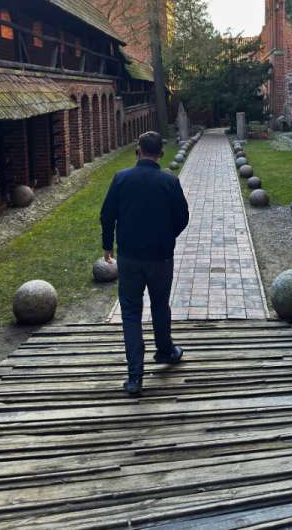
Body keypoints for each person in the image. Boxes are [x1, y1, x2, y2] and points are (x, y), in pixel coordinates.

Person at [100, 130, 190, 395]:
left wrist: (108, 245)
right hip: (161, 256)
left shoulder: (121, 179)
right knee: (160, 304)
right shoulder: (169, 181)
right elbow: (182, 217)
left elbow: (107, 215)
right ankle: (164, 351)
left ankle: (135, 377)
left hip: (129, 257)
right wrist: (165, 236)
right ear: (161, 153)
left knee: (130, 312)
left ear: (138, 150)